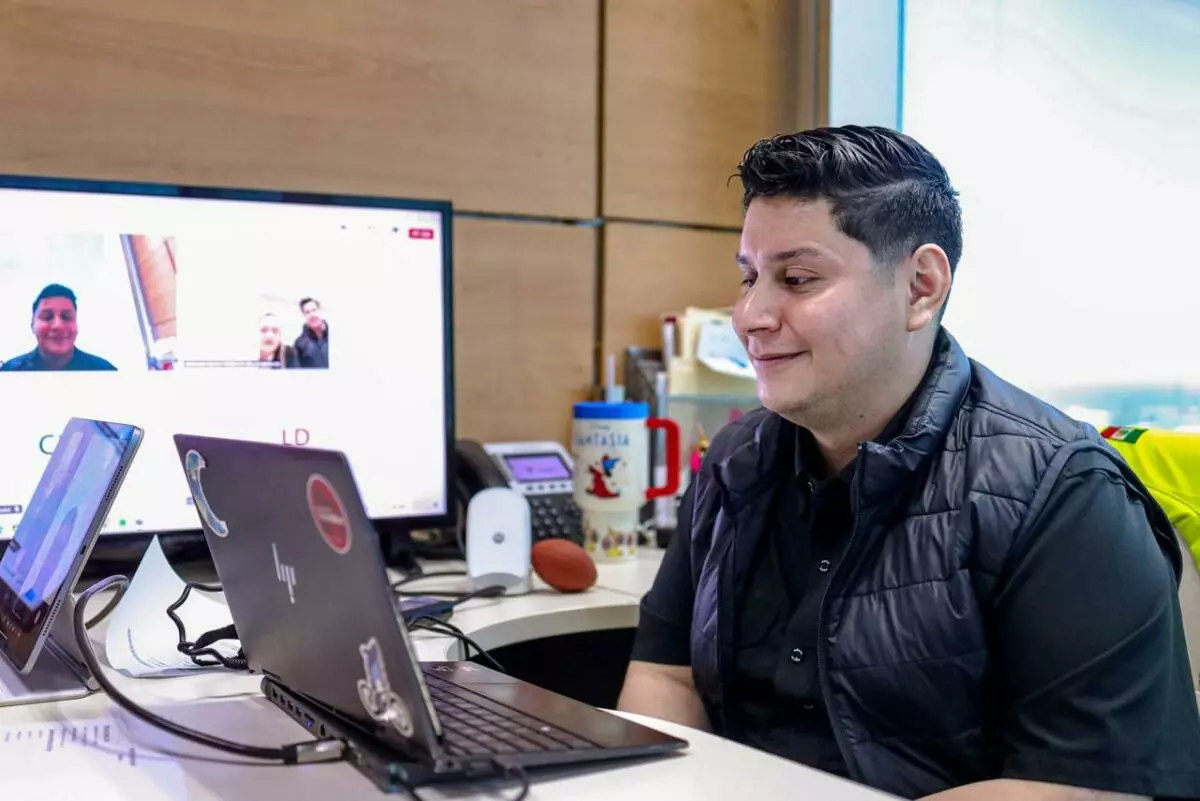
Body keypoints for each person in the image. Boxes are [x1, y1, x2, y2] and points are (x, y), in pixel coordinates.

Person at [617, 126, 1200, 800]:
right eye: (750, 277)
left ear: (921, 287)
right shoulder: (735, 460)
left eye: (797, 279)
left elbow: (1080, 787)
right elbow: (667, 675)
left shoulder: (1063, 493)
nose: (750, 315)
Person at [0, 284, 116, 371]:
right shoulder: (10, 373)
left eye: (66, 317)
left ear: (76, 326)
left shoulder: (104, 372)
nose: (58, 325)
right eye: (47, 317)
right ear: (32, 325)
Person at [293, 296, 329, 368]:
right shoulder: (299, 344)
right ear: (304, 316)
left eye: (314, 310)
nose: (312, 315)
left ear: (320, 311)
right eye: (307, 312)